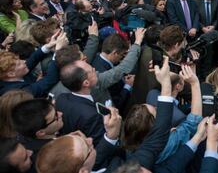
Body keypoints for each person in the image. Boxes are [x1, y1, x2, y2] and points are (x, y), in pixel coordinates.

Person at [36, 56, 175, 173]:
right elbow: (152, 145)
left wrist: (109, 137)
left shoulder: (62, 99)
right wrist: (113, 135)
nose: (90, 140)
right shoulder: (119, 167)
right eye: (88, 147)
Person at [0, 31, 67, 97]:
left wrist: (48, 45)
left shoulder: (14, 73)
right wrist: (58, 51)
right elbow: (50, 80)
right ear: (11, 74)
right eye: (19, 64)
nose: (24, 62)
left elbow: (33, 60)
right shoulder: (17, 92)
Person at [11, 99, 63, 169]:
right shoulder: (51, 155)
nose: (61, 113)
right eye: (55, 116)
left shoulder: (24, 132)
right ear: (41, 132)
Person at [92, 34, 134, 111]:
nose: (122, 58)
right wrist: (128, 86)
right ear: (115, 53)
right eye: (122, 55)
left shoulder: (97, 58)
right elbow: (117, 103)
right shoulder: (104, 73)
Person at [195, 0, 218, 78]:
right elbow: (195, 17)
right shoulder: (196, 2)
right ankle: (199, 75)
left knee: (209, 56)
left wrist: (213, 26)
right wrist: (202, 28)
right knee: (200, 55)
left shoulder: (216, 2)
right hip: (200, 34)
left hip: (212, 33)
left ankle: (207, 75)